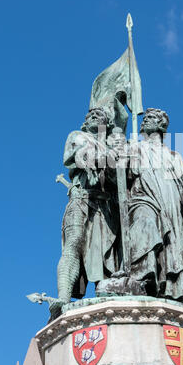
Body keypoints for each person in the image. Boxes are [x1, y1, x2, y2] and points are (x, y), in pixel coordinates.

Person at [127, 108, 183, 306]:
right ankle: (142, 277)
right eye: (144, 118)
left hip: (171, 200)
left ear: (162, 126)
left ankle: (171, 287)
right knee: (144, 224)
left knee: (173, 244)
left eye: (151, 118)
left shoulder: (173, 155)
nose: (145, 121)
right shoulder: (132, 148)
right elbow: (118, 175)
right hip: (143, 196)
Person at [56, 107, 120, 307]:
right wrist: (96, 156)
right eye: (90, 115)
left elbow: (118, 177)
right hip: (80, 197)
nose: (92, 116)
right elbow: (70, 158)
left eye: (99, 115)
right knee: (74, 242)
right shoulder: (78, 136)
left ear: (107, 124)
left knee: (105, 252)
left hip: (105, 205)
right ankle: (62, 298)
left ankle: (106, 293)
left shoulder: (111, 148)